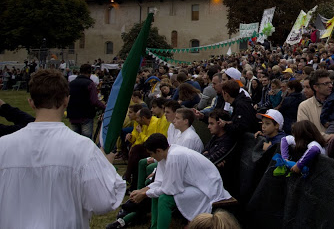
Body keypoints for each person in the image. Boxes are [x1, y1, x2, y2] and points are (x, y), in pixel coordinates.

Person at [0, 69, 125, 228]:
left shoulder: (3, 146)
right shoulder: (82, 148)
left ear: (31, 102)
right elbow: (103, 202)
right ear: (66, 101)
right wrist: (106, 165)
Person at [130, 134, 232, 229]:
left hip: (207, 189)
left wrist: (145, 194)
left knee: (164, 199)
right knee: (156, 195)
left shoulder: (175, 156)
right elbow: (160, 181)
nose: (152, 157)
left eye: (151, 154)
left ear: (159, 151)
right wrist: (143, 191)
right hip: (194, 185)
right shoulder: (165, 155)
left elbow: (170, 189)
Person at [67, 63, 106, 138]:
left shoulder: (71, 84)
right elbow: (94, 101)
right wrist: (104, 106)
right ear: (90, 73)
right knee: (86, 140)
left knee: (74, 139)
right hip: (86, 115)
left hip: (72, 115)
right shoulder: (90, 84)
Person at [297, 69, 333, 135]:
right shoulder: (304, 107)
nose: (331, 86)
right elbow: (304, 132)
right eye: (326, 84)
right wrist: (330, 137)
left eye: (330, 83)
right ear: (316, 87)